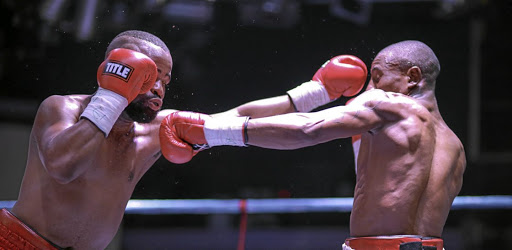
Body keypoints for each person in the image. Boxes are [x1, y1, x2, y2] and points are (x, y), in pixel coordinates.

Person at [0, 29, 367, 249]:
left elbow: (239, 116)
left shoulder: (154, 131)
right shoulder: (61, 108)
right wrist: (112, 96)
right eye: (150, 74)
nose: (159, 87)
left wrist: (315, 92)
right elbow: (64, 167)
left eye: (166, 79)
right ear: (119, 66)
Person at [162, 40, 467, 250]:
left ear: (412, 77)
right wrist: (317, 93)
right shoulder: (455, 146)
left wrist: (214, 133)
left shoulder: (388, 105)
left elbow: (309, 128)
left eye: (377, 76)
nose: (370, 87)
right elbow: (393, 186)